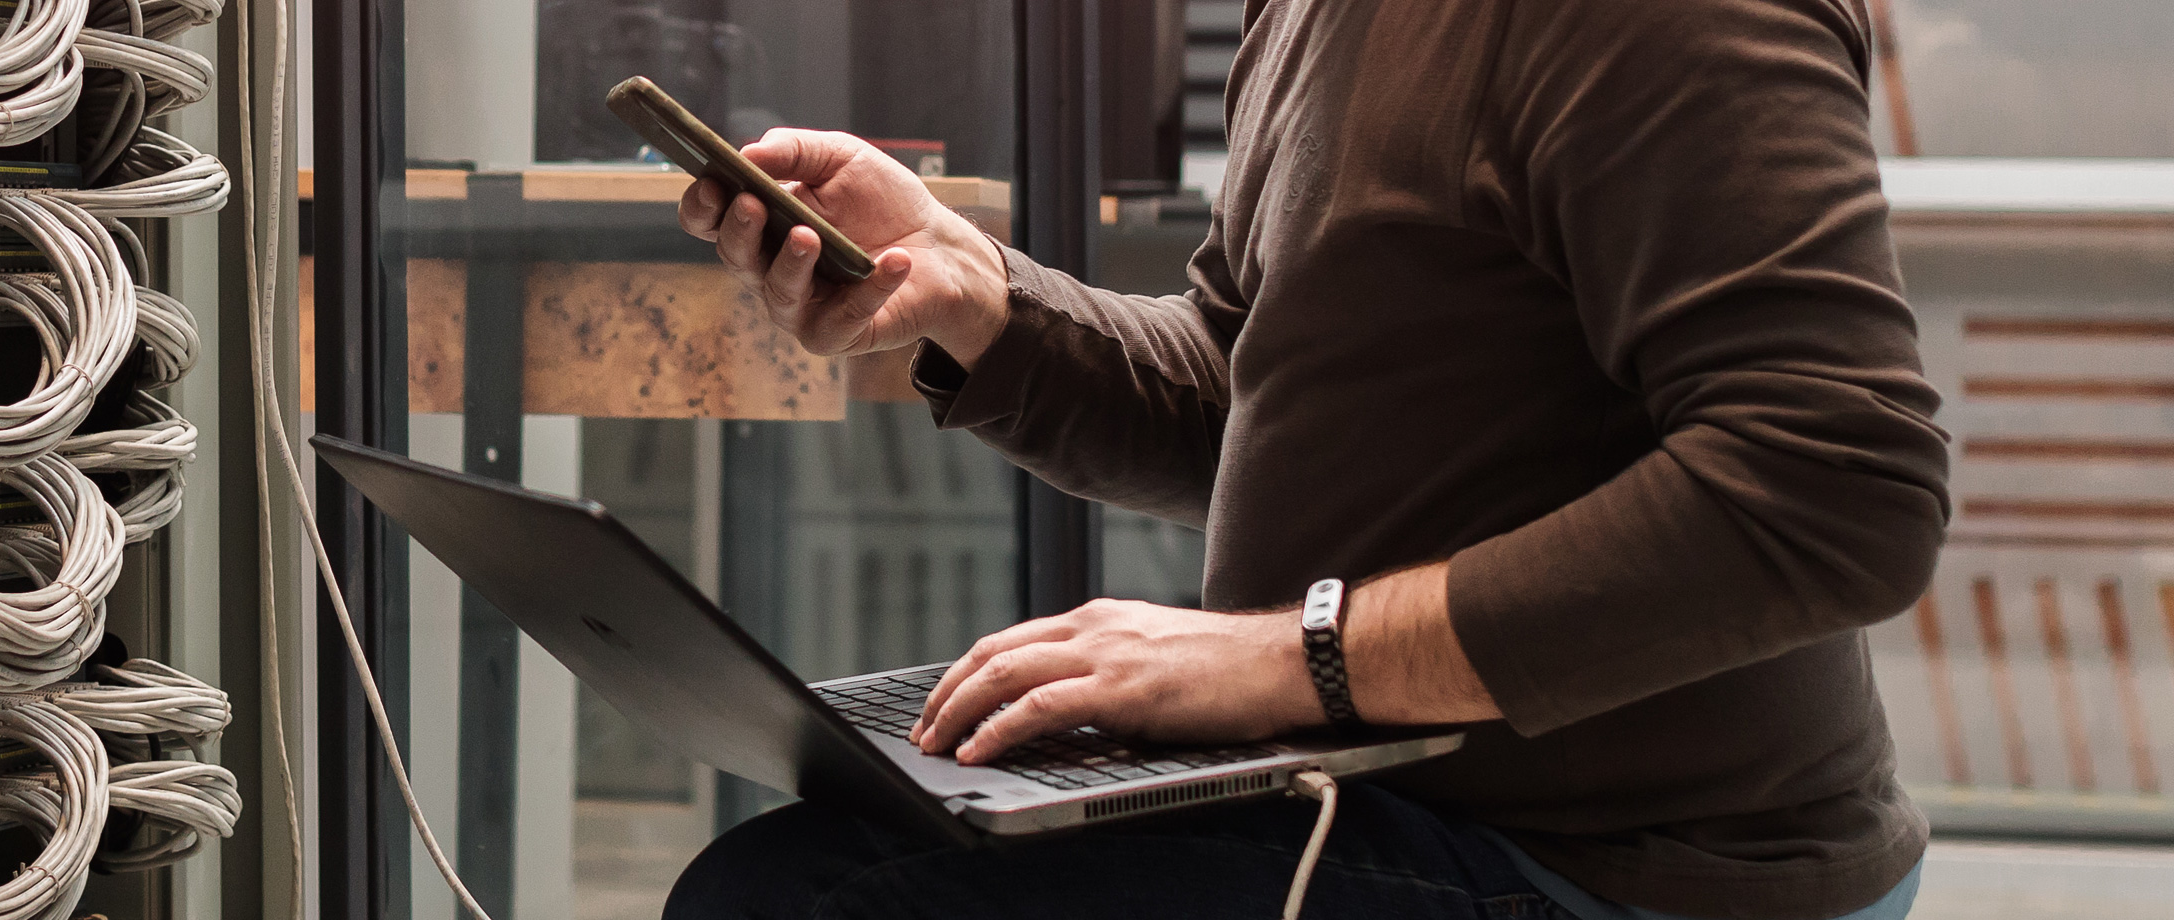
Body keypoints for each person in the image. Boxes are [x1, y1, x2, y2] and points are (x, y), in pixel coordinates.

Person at [664, 0, 1950, 918]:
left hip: (1629, 864)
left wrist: (1294, 660)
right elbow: (1251, 378)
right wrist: (976, 289)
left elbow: (1837, 486)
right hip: (1391, 784)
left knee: (804, 895)